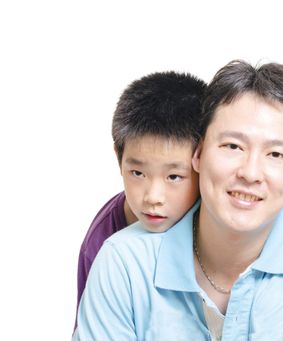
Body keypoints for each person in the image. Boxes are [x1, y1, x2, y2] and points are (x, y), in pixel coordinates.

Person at [71, 60, 283, 341]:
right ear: (198, 153)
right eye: (233, 146)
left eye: (276, 154)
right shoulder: (122, 262)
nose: (250, 173)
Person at [75, 71, 206, 317]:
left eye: (174, 177)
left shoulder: (222, 219)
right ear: (118, 158)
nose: (153, 197)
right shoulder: (100, 244)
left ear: (203, 162)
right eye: (137, 173)